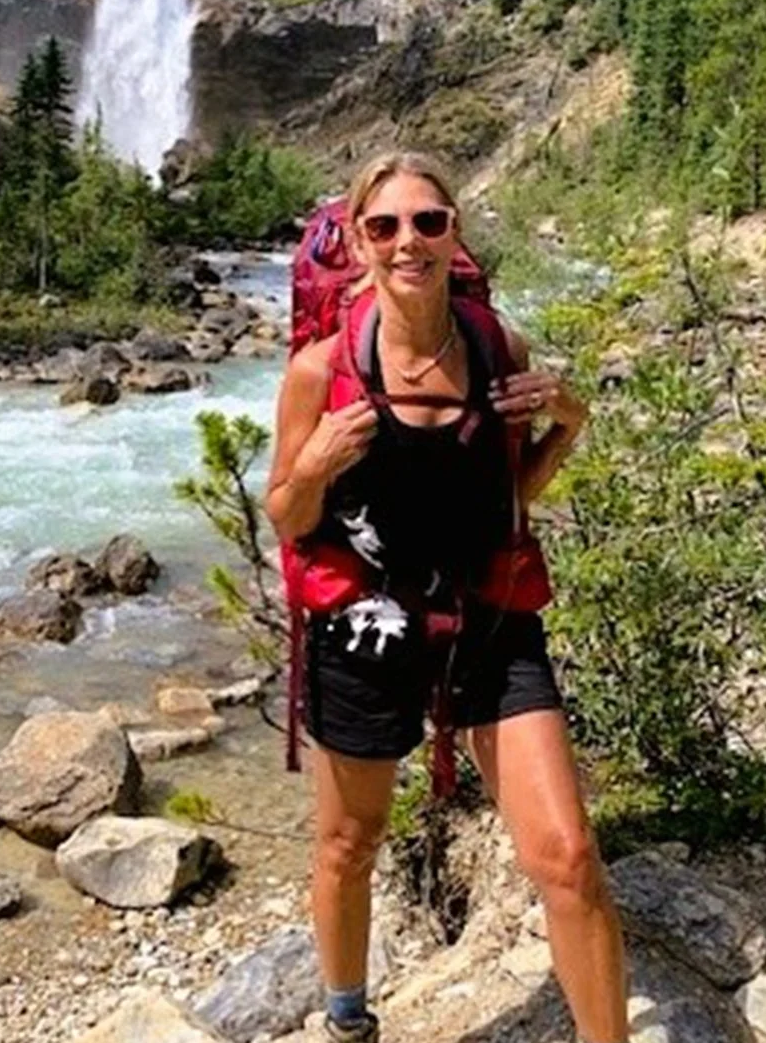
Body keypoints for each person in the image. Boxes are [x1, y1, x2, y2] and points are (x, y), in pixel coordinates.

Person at [266, 152, 628, 1043]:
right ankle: (346, 1019)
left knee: (568, 856)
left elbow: (508, 498)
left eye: (427, 221)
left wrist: (568, 424)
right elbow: (288, 515)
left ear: (453, 231)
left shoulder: (498, 346)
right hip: (365, 623)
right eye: (384, 225)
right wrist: (315, 463)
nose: (408, 241)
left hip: (488, 618)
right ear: (357, 242)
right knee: (348, 843)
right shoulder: (320, 370)